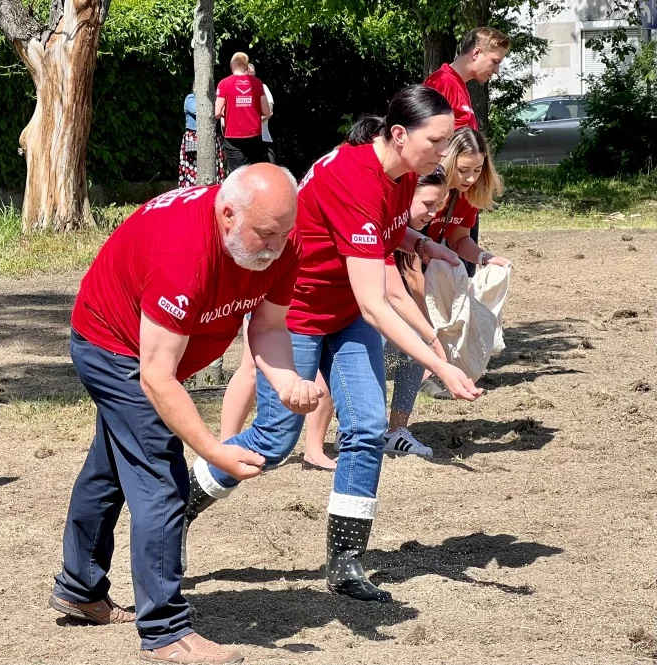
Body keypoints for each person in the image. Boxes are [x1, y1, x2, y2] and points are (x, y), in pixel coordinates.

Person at [184, 86, 484, 602]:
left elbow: (386, 237)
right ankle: (176, 505)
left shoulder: (402, 172)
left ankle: (345, 564)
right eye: (437, 141)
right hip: (295, 315)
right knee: (274, 442)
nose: (444, 153)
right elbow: (376, 302)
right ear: (398, 134)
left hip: (344, 316)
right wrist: (439, 361)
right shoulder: (353, 179)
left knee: (366, 427)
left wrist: (425, 243)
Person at [49, 164, 323, 665]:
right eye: (265, 234)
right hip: (113, 347)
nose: (277, 246)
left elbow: (268, 326)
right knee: (162, 478)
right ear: (225, 214)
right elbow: (156, 375)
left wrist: (285, 382)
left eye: (285, 233)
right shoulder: (183, 251)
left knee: (110, 467)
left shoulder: (283, 238)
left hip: (153, 353)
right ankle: (167, 632)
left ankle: (79, 586)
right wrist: (215, 449)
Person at [299, 168, 451, 469]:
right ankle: (316, 446)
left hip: (355, 307)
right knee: (326, 371)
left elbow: (412, 287)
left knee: (411, 345)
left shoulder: (399, 228)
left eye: (439, 205)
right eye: (429, 204)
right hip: (322, 304)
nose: (434, 213)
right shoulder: (372, 218)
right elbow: (394, 295)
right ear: (407, 196)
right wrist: (433, 340)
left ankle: (392, 431)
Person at [423, 26, 511, 277]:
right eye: (495, 61)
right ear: (476, 52)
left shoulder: (459, 86)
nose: (496, 70)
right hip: (441, 198)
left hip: (458, 197)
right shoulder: (442, 83)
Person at [216, 52, 271, 173]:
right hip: (254, 135)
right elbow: (267, 111)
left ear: (231, 65)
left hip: (233, 136)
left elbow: (217, 112)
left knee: (236, 175)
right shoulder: (257, 83)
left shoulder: (224, 84)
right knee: (255, 172)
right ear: (246, 67)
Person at [179, 92, 225, 188]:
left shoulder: (215, 99)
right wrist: (219, 109)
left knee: (214, 168)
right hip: (194, 137)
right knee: (192, 168)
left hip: (212, 137)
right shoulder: (191, 98)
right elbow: (203, 113)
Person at [247, 63, 275, 164]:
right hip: (245, 141)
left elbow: (269, 111)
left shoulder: (262, 87)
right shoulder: (237, 89)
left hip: (264, 138)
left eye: (253, 75)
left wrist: (253, 122)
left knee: (271, 171)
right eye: (249, 75)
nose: (252, 78)